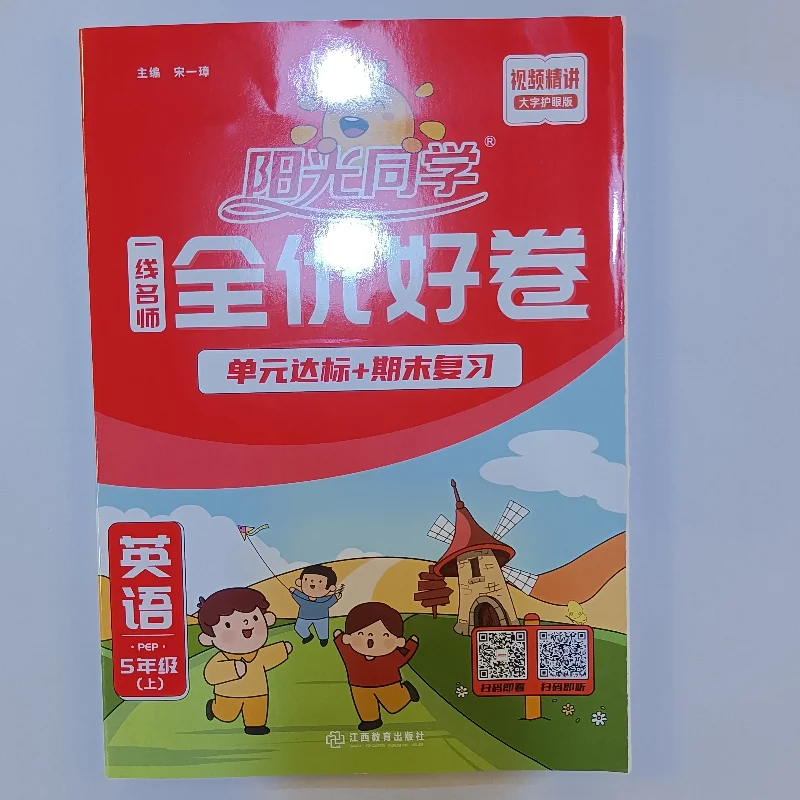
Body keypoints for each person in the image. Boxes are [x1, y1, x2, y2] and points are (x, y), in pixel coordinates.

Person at [197, 586, 292, 735]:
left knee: (257, 709)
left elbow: (268, 656)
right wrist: (233, 669)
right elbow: (211, 674)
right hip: (228, 694)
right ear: (209, 638)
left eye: (255, 618)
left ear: (267, 620)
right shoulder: (222, 658)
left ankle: (255, 726)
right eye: (228, 625)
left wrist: (282, 649)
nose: (247, 624)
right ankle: (214, 708)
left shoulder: (258, 654)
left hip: (258, 692)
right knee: (226, 715)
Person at [334, 601, 420, 731]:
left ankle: (407, 692)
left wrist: (412, 644)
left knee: (394, 706)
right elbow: (342, 646)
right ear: (349, 637)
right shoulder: (351, 655)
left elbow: (404, 655)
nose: (371, 640)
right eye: (361, 634)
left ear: (397, 640)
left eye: (384, 635)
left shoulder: (390, 657)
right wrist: (338, 637)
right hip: (358, 685)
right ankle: (371, 720)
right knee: (365, 705)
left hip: (388, 683)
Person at [290, 564, 343, 647]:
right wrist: (293, 591)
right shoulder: (303, 598)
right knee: (299, 628)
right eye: (306, 580)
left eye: (320, 582)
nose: (312, 584)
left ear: (331, 588)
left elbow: (332, 599)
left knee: (322, 630)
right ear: (300, 582)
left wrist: (336, 597)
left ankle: (323, 639)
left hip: (321, 617)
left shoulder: (325, 600)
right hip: (303, 617)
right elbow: (297, 595)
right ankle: (308, 636)